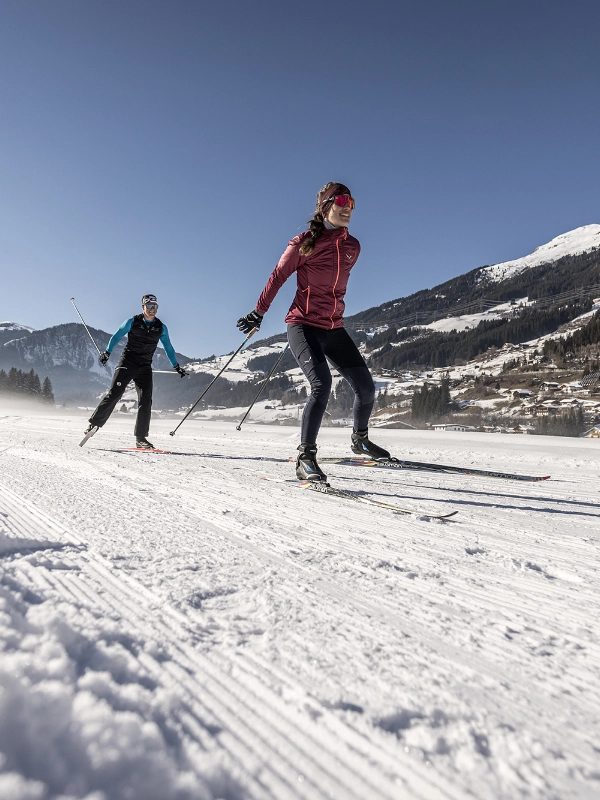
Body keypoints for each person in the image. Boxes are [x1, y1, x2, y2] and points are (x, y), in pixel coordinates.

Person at [236, 182, 390, 481]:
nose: (348, 207)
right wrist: (259, 313)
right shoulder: (303, 242)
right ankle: (305, 457)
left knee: (367, 387)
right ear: (326, 206)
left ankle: (360, 440)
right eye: (341, 201)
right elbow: (278, 276)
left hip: (334, 327)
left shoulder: (352, 247)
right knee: (322, 384)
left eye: (352, 202)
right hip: (303, 325)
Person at [83, 294, 188, 448]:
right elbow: (117, 335)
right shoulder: (132, 322)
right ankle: (94, 424)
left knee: (146, 401)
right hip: (128, 362)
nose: (152, 309)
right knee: (115, 394)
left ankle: (141, 438)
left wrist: (176, 365)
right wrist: (107, 352)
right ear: (143, 307)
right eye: (149, 306)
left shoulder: (161, 327)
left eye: (155, 307)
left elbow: (168, 347)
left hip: (145, 366)